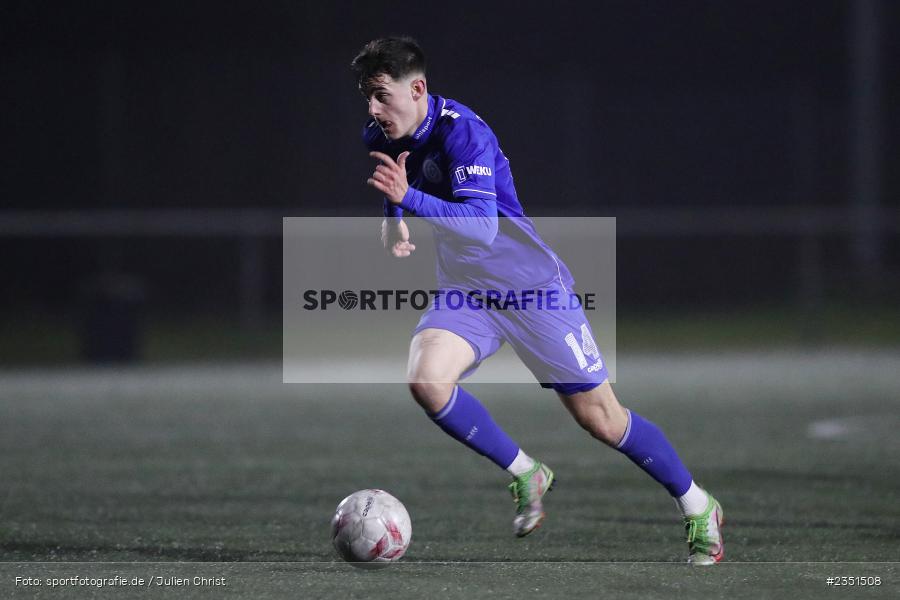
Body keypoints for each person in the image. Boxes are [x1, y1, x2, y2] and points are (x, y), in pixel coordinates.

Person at [351, 36, 724, 565]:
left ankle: (698, 505)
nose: (372, 108)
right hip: (467, 292)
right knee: (427, 381)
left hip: (531, 290)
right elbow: (397, 178)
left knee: (602, 420)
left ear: (418, 89)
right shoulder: (382, 131)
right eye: (366, 95)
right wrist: (395, 224)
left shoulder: (467, 135)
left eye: (380, 95)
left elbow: (481, 228)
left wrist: (406, 201)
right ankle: (526, 471)